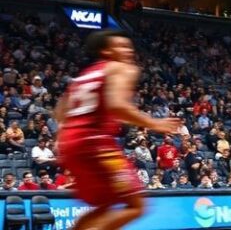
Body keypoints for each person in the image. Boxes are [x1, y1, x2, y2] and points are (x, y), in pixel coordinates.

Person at [55, 30, 180, 230]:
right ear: (105, 51)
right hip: (94, 142)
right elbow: (116, 104)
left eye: (129, 46)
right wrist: (154, 123)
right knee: (137, 205)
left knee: (106, 204)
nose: (127, 51)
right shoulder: (121, 68)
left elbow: (60, 112)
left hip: (69, 143)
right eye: (120, 46)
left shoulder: (86, 75)